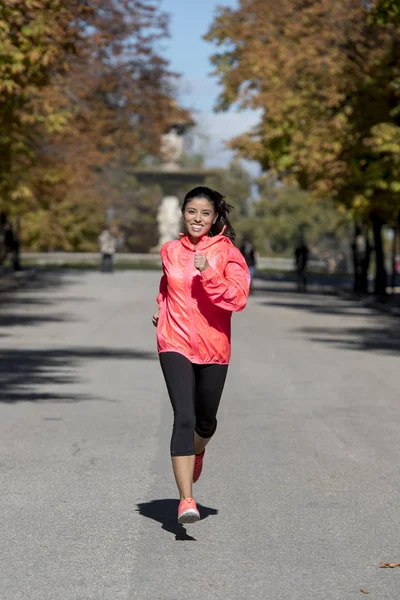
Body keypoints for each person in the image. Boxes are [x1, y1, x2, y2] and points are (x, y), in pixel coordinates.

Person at [152, 186, 250, 524]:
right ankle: (186, 500)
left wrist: (208, 271)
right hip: (173, 341)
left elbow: (238, 299)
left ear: (214, 217)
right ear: (183, 213)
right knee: (184, 417)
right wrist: (161, 309)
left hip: (213, 347)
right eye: (192, 211)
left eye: (204, 213)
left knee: (205, 421)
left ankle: (198, 449)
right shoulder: (169, 251)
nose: (197, 219)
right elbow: (167, 287)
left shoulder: (228, 254)